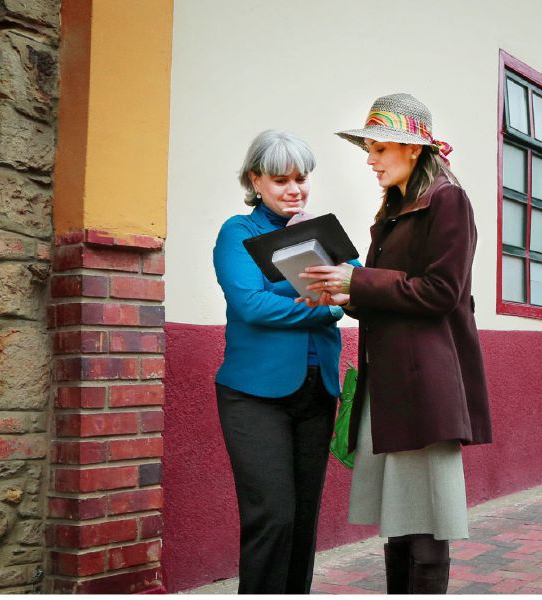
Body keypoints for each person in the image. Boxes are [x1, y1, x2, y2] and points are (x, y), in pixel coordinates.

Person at [299, 93, 492, 594]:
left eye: (379, 148)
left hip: (425, 383)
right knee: (399, 518)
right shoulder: (396, 206)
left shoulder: (448, 199)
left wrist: (357, 283)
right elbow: (392, 293)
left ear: (413, 149)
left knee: (426, 521)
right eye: (369, 148)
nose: (370, 159)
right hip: (390, 380)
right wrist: (341, 294)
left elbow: (442, 292)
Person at [212, 130, 352, 594]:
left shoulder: (319, 232)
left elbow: (351, 291)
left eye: (301, 178)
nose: (294, 189)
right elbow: (250, 304)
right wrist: (322, 305)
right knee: (271, 516)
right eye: (279, 179)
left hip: (317, 389)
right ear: (255, 179)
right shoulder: (238, 232)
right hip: (254, 395)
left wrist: (330, 300)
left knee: (303, 517)